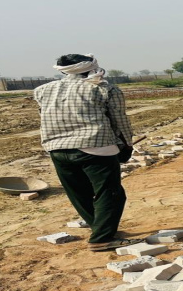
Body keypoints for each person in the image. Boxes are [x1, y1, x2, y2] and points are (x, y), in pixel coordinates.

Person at [34, 53, 135, 251]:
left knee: (79, 193)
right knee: (110, 193)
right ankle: (102, 238)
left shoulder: (42, 90)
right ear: (91, 69)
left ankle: (101, 230)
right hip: (96, 146)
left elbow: (44, 116)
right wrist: (127, 145)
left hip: (57, 149)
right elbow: (120, 120)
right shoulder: (105, 89)